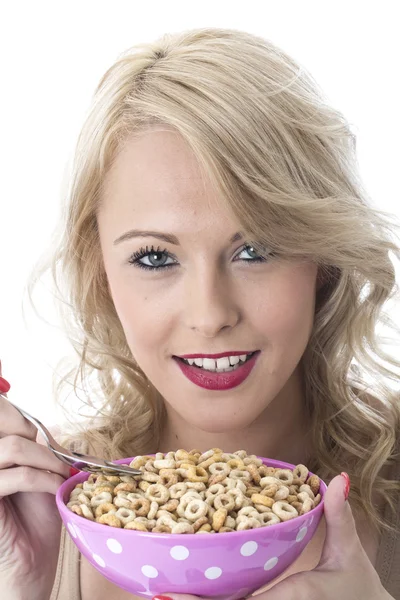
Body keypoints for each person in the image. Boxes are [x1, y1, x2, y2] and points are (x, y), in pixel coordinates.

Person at [0, 26, 399, 600]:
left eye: (256, 250)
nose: (209, 314)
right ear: (100, 272)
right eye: (155, 256)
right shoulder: (39, 510)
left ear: (325, 261)